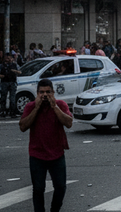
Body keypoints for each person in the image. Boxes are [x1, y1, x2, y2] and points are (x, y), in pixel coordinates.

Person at [19, 79, 73, 212]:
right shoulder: (30, 107)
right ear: (37, 94)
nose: (45, 95)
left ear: (53, 92)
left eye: (48, 92)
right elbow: (23, 126)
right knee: (38, 188)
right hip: (37, 155)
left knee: (60, 187)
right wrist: (36, 108)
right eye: (42, 92)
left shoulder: (60, 105)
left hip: (57, 154)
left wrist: (55, 107)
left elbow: (69, 123)